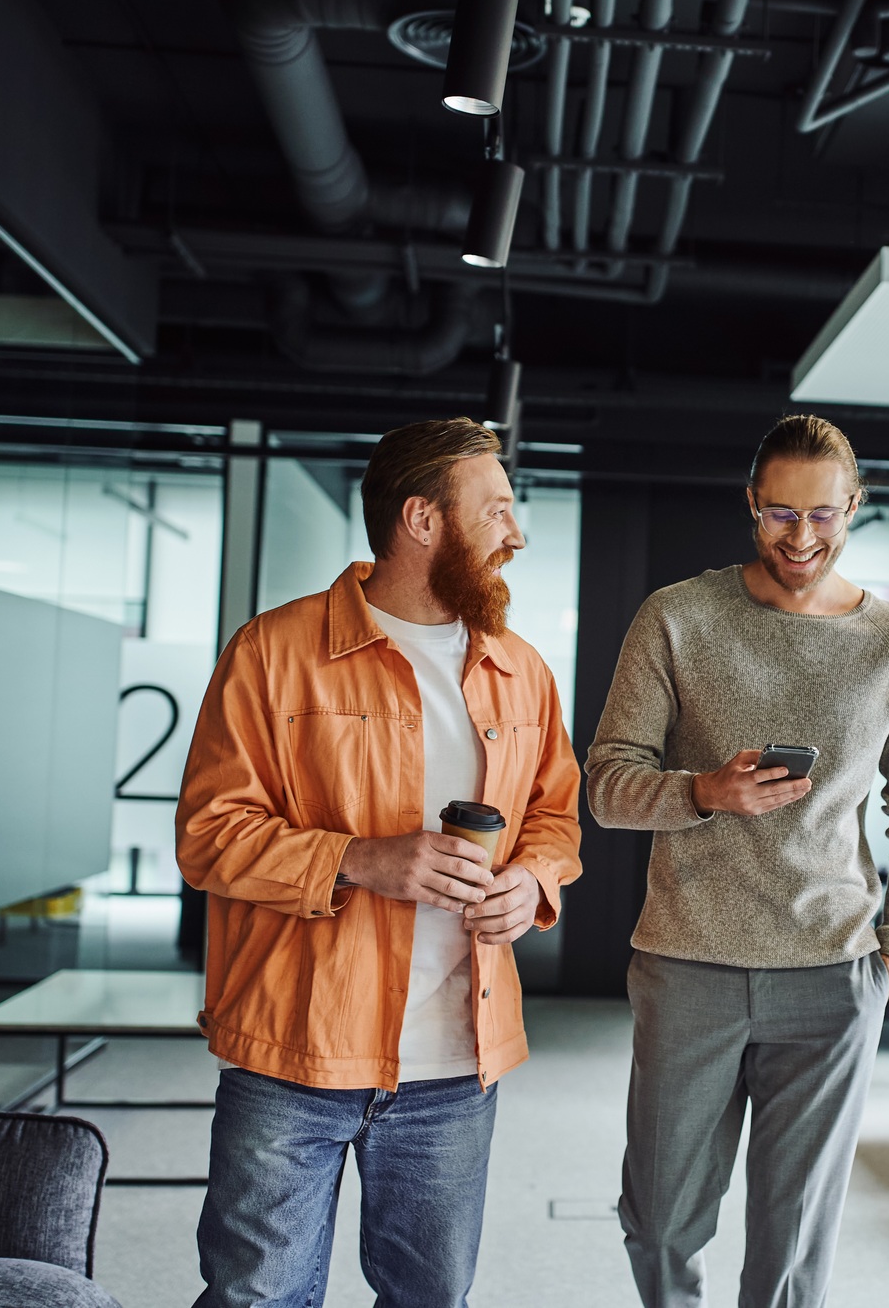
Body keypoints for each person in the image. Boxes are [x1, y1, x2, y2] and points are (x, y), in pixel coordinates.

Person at [177, 418, 582, 1308]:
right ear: (422, 520)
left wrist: (532, 882)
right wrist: (357, 859)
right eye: (499, 511)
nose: (516, 534)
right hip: (294, 1049)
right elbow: (209, 833)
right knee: (255, 1298)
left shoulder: (524, 672)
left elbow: (555, 817)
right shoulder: (273, 654)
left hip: (453, 1066)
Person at [586, 414, 889, 1308]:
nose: (801, 538)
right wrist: (705, 792)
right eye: (780, 515)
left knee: (792, 1235)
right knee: (662, 1214)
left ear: (854, 507)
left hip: (833, 975)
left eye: (823, 516)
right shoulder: (677, 616)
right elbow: (605, 784)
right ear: (751, 505)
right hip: (688, 963)